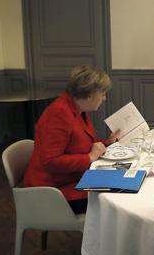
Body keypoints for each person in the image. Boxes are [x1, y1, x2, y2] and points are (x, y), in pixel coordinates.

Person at [24, 65, 120, 214]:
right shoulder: (59, 113)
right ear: (89, 94)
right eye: (102, 93)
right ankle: (104, 236)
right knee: (114, 201)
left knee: (120, 184)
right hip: (53, 190)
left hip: (71, 178)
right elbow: (49, 161)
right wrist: (89, 157)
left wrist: (107, 142)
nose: (104, 98)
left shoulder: (76, 108)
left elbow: (80, 144)